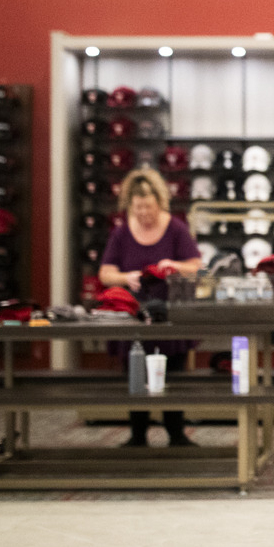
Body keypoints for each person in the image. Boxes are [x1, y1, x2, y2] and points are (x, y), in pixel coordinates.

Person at [98, 169, 203, 446]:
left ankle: (176, 433)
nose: (144, 213)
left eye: (148, 207)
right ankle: (138, 434)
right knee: (135, 375)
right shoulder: (122, 233)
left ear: (159, 202)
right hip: (134, 316)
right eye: (138, 208)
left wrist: (174, 266)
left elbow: (195, 265)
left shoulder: (176, 229)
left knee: (174, 376)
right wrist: (125, 278)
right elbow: (105, 273)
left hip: (171, 316)